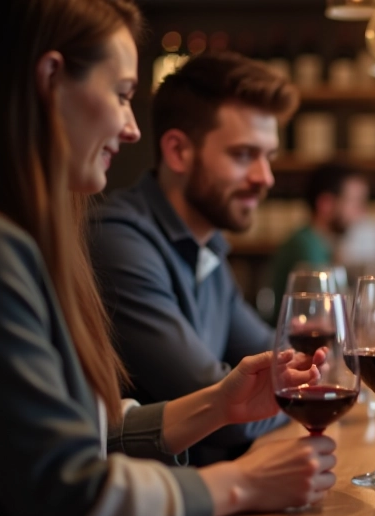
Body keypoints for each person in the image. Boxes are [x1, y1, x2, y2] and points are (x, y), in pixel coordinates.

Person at [0, 1, 336, 516]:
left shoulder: (22, 236)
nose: (130, 128)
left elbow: (88, 429)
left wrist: (219, 403)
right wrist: (241, 484)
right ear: (50, 79)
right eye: (123, 93)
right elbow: (71, 507)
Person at [89, 51, 296, 465]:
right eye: (243, 155)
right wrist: (298, 398)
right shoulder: (118, 241)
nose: (265, 178)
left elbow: (280, 358)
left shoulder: (209, 247)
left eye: (268, 157)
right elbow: (225, 410)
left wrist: (298, 385)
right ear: (179, 151)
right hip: (153, 515)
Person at [269, 162, 370, 320]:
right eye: (355, 201)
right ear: (326, 204)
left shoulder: (320, 242)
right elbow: (324, 316)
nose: (362, 211)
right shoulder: (305, 247)